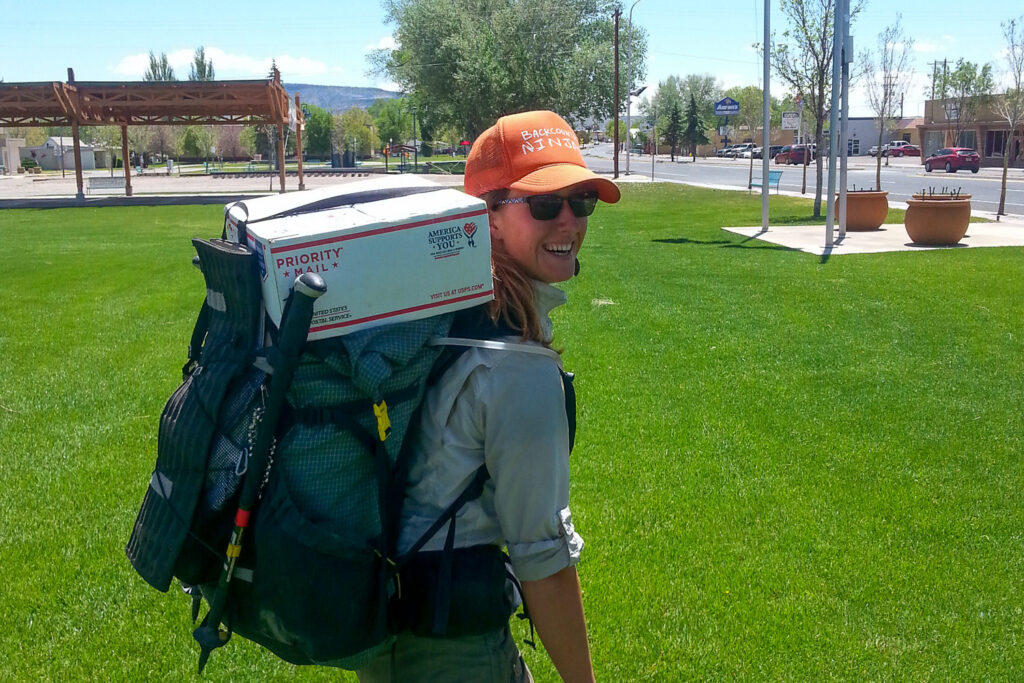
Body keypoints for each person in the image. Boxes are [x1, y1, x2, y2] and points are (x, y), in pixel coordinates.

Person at [356, 110, 620, 683]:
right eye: (546, 204)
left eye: (582, 201)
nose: (570, 221)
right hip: (452, 650)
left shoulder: (442, 308)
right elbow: (542, 560)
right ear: (489, 220)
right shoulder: (515, 369)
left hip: (396, 632)